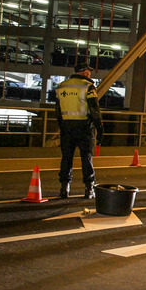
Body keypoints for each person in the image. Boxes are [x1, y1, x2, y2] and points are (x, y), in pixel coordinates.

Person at [55, 62, 104, 199]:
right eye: (88, 71)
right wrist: (99, 128)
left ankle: (64, 188)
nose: (90, 73)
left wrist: (62, 126)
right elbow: (94, 109)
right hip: (83, 127)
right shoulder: (88, 87)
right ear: (84, 72)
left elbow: (58, 111)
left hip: (66, 127)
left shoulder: (61, 87)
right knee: (86, 157)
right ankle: (89, 188)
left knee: (66, 158)